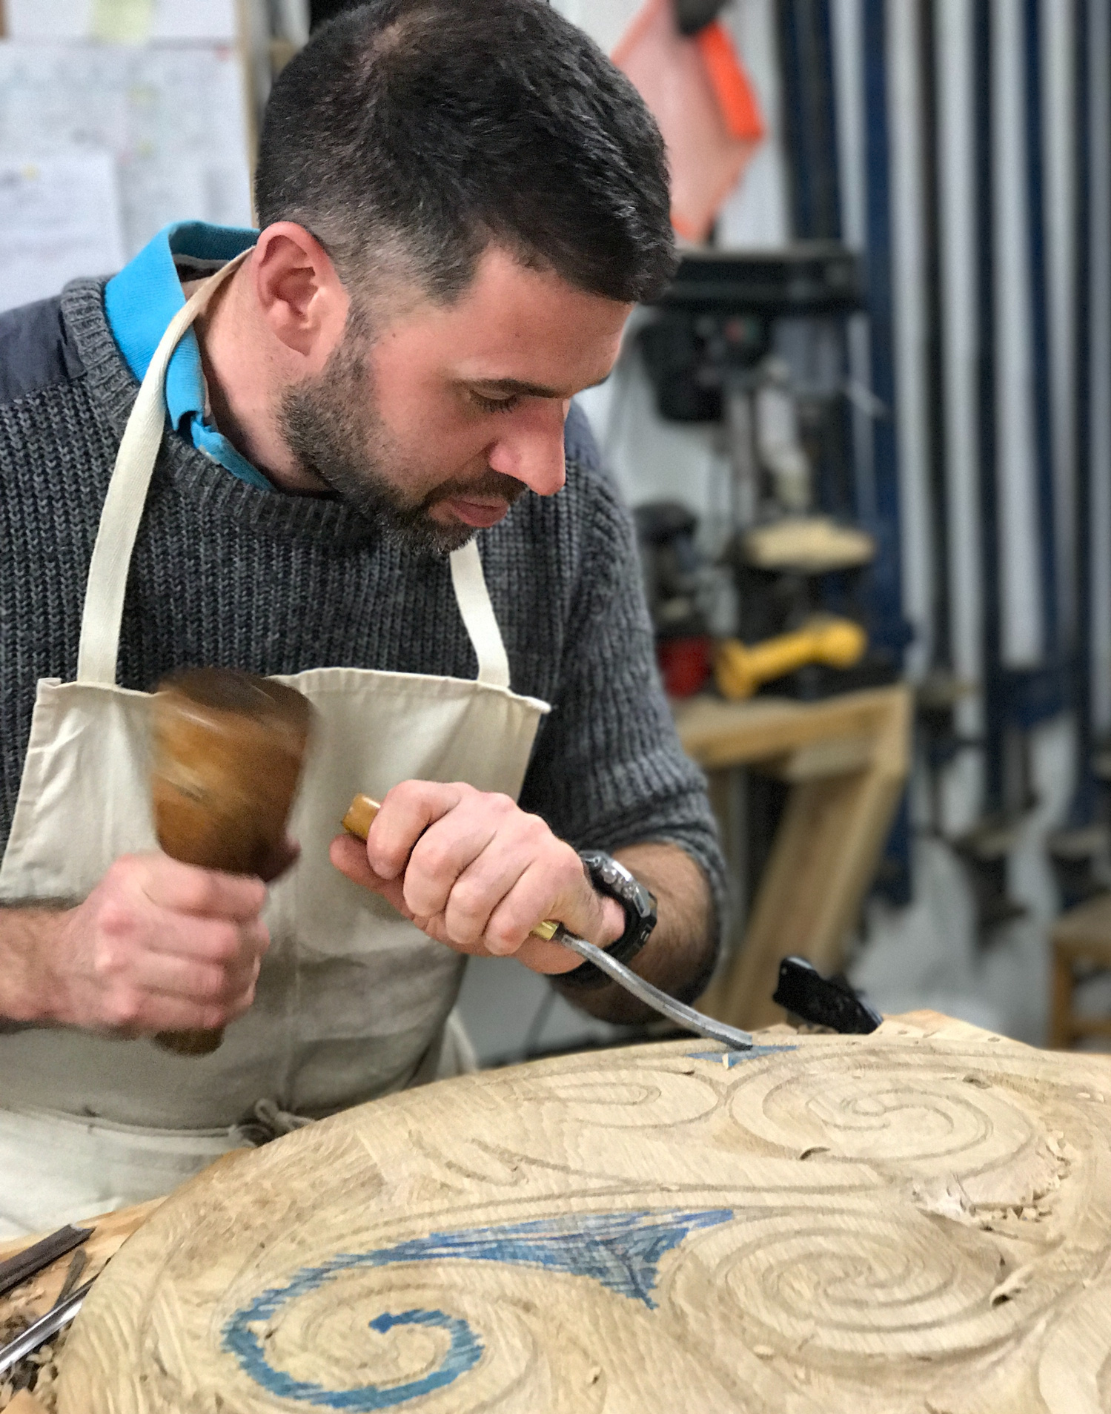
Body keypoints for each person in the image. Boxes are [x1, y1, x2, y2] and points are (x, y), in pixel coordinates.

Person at [0, 0, 723, 1237]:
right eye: (494, 392)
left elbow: (680, 888)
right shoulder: (21, 445)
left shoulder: (544, 479)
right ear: (294, 290)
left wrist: (592, 906)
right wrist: (44, 960)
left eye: (568, 397)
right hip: (39, 1218)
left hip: (401, 1197)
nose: (546, 465)